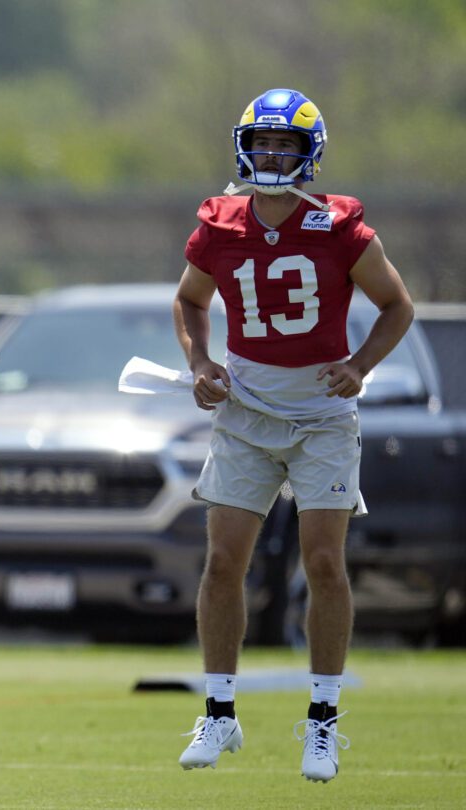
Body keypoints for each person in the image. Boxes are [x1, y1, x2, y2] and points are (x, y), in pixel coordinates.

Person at [173, 89, 413, 782]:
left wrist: (361, 366)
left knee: (324, 564)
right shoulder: (218, 223)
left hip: (320, 415)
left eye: (286, 144)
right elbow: (189, 298)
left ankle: (323, 723)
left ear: (309, 153)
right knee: (223, 563)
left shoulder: (340, 227)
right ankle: (219, 715)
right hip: (246, 410)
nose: (272, 154)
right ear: (244, 146)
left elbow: (397, 304)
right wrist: (199, 362)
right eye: (263, 142)